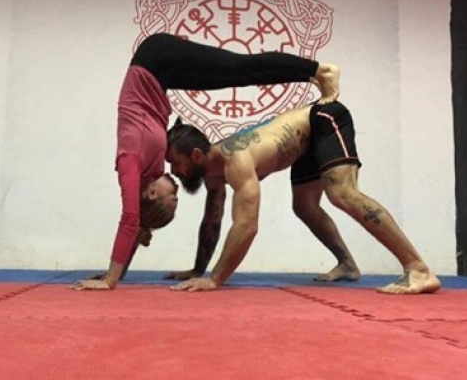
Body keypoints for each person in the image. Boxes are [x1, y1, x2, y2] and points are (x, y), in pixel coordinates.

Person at [71, 33, 342, 291]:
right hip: (161, 74)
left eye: (172, 195)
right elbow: (138, 221)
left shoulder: (129, 162)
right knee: (238, 75)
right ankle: (311, 74)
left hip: (153, 57)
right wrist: (122, 270)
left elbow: (129, 217)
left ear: (152, 194)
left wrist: (110, 279)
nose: (176, 183)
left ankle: (321, 71)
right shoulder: (151, 174)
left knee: (238, 68)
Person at [165, 101, 442, 294]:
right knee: (305, 206)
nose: (173, 171)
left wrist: (215, 280)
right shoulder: (213, 175)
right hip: (304, 146)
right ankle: (347, 264)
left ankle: (417, 268)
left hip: (322, 119)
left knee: (342, 193)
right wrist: (198, 271)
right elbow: (212, 221)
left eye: (176, 163)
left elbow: (246, 225)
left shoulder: (235, 160)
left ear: (196, 156)